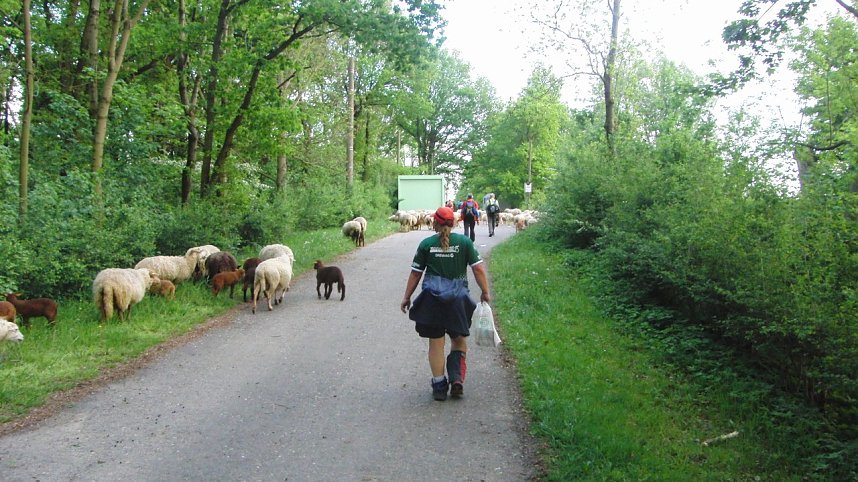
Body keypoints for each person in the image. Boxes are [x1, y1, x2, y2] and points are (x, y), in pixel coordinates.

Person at [400, 206, 491, 401]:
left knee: (436, 343)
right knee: (458, 340)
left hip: (432, 300)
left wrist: (407, 297)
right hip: (457, 300)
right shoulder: (465, 243)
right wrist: (485, 292)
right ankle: (456, 378)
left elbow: (416, 273)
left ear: (434, 223)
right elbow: (478, 269)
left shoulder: (426, 244)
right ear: (454, 223)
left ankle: (439, 385)